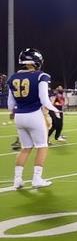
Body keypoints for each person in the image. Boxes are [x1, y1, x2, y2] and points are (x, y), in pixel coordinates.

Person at [7, 48, 60, 187]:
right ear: (36, 61)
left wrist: (13, 113)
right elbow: (44, 99)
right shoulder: (41, 76)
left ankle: (17, 180)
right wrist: (56, 110)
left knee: (25, 148)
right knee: (42, 146)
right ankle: (37, 179)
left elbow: (10, 103)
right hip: (34, 115)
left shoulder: (13, 78)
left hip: (19, 116)